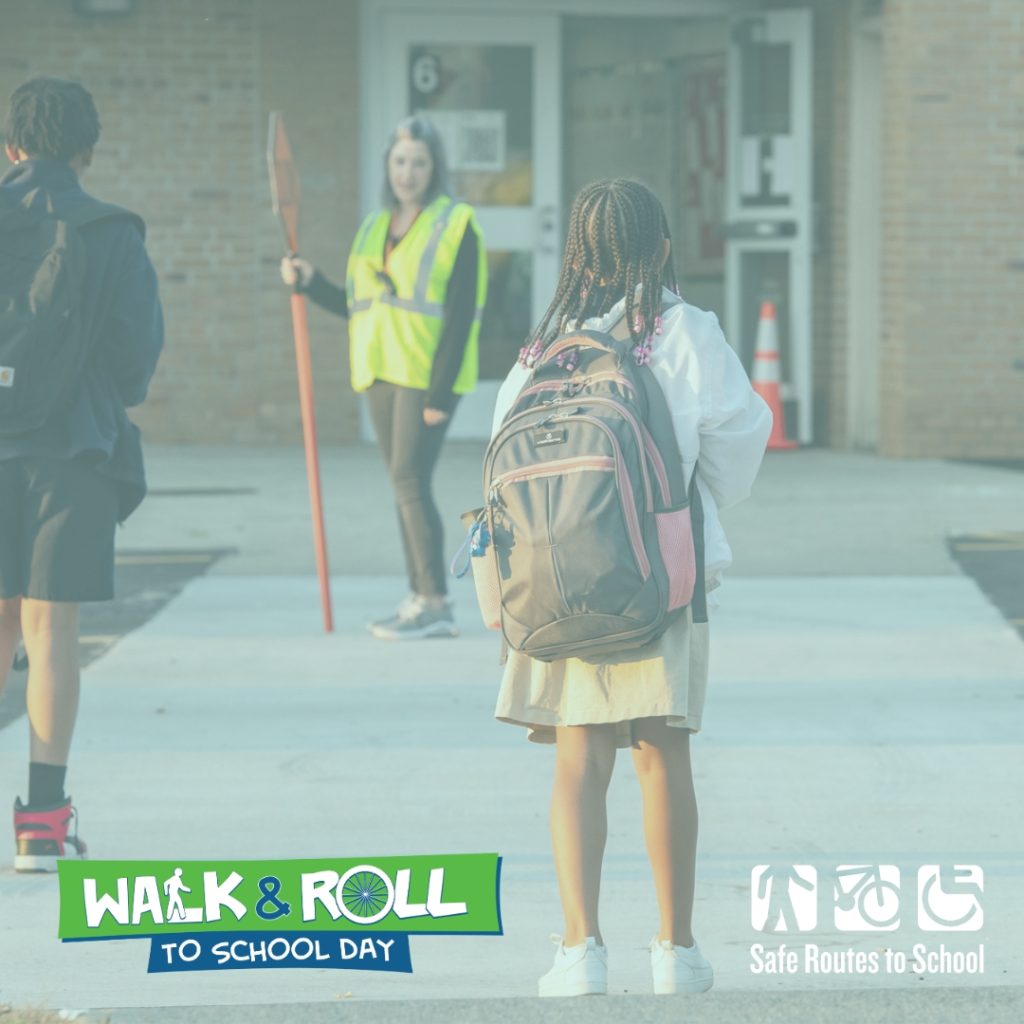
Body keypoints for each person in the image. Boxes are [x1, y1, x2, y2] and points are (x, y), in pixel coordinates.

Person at [489, 179, 772, 996]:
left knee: (577, 759)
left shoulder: (549, 346)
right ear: (662, 252)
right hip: (660, 579)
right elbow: (739, 442)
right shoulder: (685, 332)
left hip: (558, 585)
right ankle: (674, 952)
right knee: (661, 755)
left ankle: (580, 952)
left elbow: (508, 444)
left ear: (575, 255)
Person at [0, 77, 164, 871]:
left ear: (11, 148)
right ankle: (41, 827)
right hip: (73, 453)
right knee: (49, 633)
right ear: (86, 151)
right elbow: (135, 369)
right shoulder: (113, 233)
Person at [281, 115, 487, 641]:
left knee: (409, 481)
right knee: (403, 484)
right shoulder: (374, 226)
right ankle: (420, 596)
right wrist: (311, 283)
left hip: (426, 374)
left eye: (419, 162)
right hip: (378, 370)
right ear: (387, 167)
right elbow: (360, 304)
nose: (408, 172)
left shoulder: (457, 223)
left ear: (434, 167)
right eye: (399, 162)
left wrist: (441, 393)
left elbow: (462, 314)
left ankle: (435, 602)